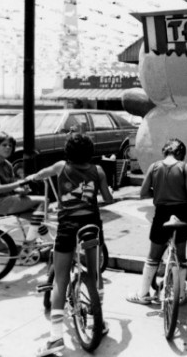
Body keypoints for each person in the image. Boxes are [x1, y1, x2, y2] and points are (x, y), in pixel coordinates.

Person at [31, 133, 113, 357]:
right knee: (95, 273)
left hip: (67, 227)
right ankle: (100, 323)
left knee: (60, 279)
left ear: (68, 151)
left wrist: (33, 176)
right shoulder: (98, 171)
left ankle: (56, 338)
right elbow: (107, 199)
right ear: (90, 151)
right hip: (91, 226)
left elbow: (41, 174)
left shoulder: (60, 166)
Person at [126, 138, 187, 306]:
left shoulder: (154, 167)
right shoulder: (184, 167)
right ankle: (180, 295)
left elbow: (143, 192)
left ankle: (143, 294)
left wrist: (158, 195)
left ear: (165, 151)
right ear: (181, 153)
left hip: (161, 214)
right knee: (180, 256)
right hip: (182, 214)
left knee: (153, 256)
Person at [0, 132, 50, 244]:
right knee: (44, 201)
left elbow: (10, 187)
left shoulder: (7, 164)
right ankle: (29, 243)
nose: (8, 148)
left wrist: (21, 191)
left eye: (10, 146)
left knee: (37, 219)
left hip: (7, 200)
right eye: (4, 145)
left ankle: (47, 243)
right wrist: (21, 182)